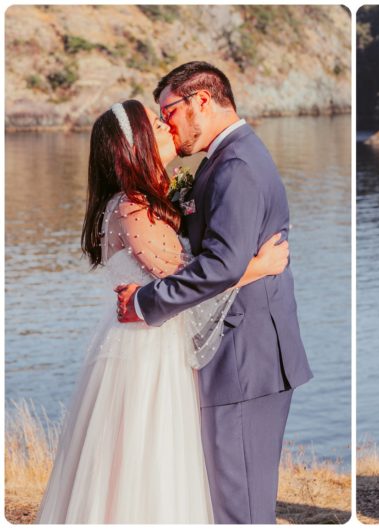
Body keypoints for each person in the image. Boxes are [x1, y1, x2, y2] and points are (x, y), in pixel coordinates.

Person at [37, 100, 288, 523]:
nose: (167, 126)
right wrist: (258, 267)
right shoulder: (132, 207)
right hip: (145, 353)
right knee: (146, 459)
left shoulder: (144, 200)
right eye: (156, 124)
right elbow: (188, 279)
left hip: (154, 342)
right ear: (135, 146)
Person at [115, 61, 313, 523]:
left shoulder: (237, 165)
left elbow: (221, 265)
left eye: (169, 111)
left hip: (245, 359)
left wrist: (144, 303)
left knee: (237, 508)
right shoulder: (226, 158)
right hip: (241, 356)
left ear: (200, 101)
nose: (165, 124)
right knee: (229, 501)